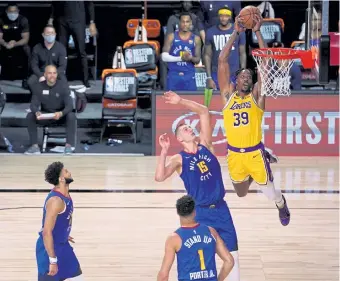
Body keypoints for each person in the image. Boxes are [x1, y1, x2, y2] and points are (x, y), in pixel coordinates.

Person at [155, 91, 241, 280]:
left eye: (189, 126)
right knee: (200, 254)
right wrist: (164, 151)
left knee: (232, 254)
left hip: (220, 209)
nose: (190, 128)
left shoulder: (206, 145)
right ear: (179, 138)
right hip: (200, 212)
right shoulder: (179, 158)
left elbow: (203, 112)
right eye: (185, 129)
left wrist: (180, 101)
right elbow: (159, 177)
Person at [218, 15, 290, 225]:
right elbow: (222, 61)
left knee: (271, 193)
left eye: (250, 75)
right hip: (234, 154)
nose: (247, 76)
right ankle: (265, 162)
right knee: (240, 193)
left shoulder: (257, 97)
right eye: (243, 75)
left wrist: (257, 31)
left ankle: (281, 204)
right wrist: (236, 32)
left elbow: (265, 63)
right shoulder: (227, 97)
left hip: (254, 153)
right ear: (236, 80)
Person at [157, 195, 234, 281]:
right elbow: (229, 261)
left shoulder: (174, 239)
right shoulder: (211, 232)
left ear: (178, 212)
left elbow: (163, 275)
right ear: (194, 212)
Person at [36, 161, 83, 280]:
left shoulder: (65, 193)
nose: (69, 172)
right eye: (66, 171)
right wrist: (52, 261)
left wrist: (63, 233)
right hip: (50, 250)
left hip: (63, 246)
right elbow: (46, 232)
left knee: (76, 277)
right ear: (62, 179)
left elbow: (60, 220)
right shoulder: (56, 201)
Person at [25, 65, 76, 155]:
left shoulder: (63, 86)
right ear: (44, 75)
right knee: (30, 116)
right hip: (45, 116)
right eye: (49, 73)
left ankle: (69, 146)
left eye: (54, 73)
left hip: (60, 116)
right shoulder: (38, 87)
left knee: (71, 116)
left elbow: (70, 105)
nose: (52, 75)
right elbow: (33, 105)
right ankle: (34, 147)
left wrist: (61, 113)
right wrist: (37, 112)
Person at [48, 1, 97, 88]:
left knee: (81, 51)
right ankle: (59, 79)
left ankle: (85, 80)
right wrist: (51, 18)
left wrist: (92, 22)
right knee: (61, 52)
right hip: (63, 21)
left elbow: (90, 3)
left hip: (78, 21)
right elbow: (54, 3)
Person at [204, 7, 246, 90]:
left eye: (226, 16)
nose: (223, 18)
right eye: (221, 16)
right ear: (218, 17)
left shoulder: (239, 31)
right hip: (216, 73)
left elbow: (242, 54)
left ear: (230, 17)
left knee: (235, 101)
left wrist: (243, 73)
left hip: (234, 74)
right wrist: (209, 77)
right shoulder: (210, 32)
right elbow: (207, 55)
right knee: (217, 101)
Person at [161, 12, 202, 91]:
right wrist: (181, 58)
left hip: (189, 76)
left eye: (187, 22)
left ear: (191, 23)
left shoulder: (196, 39)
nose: (185, 24)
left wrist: (190, 58)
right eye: (183, 21)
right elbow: (164, 56)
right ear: (179, 23)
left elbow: (198, 60)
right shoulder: (171, 36)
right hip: (174, 75)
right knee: (171, 102)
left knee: (190, 102)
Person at [28, 25, 68, 91]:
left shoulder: (61, 48)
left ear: (55, 34)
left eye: (52, 33)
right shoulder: (37, 48)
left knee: (63, 82)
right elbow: (34, 65)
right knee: (31, 82)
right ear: (43, 35)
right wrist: (41, 75)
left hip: (56, 74)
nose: (50, 35)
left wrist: (52, 76)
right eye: (48, 33)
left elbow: (62, 66)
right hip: (41, 73)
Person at [0, 3, 30, 89]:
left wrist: (14, 44)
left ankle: (26, 78)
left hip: (18, 44)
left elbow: (25, 39)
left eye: (14, 11)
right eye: (10, 11)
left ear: (18, 11)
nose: (12, 13)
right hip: (5, 44)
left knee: (27, 49)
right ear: (6, 11)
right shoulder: (1, 19)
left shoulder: (23, 20)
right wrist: (6, 44)